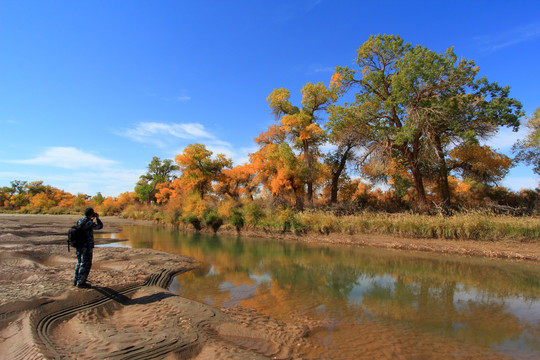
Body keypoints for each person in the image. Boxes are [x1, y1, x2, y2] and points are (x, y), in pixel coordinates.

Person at [73, 207, 103, 288]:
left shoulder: (80, 220)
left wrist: (92, 218)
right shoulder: (88, 222)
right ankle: (81, 282)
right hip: (86, 246)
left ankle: (76, 280)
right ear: (91, 214)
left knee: (79, 263)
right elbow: (99, 226)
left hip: (79, 245)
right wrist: (97, 218)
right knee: (86, 264)